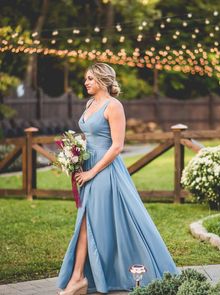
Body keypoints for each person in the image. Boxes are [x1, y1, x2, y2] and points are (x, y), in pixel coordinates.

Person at [56, 63, 179, 295]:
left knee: (90, 221)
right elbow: (88, 136)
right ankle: (79, 278)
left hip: (105, 170)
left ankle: (79, 279)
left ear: (102, 80)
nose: (86, 82)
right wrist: (74, 155)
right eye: (86, 79)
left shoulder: (114, 106)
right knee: (86, 220)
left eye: (90, 78)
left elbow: (117, 146)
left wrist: (93, 172)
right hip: (87, 167)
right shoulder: (90, 104)